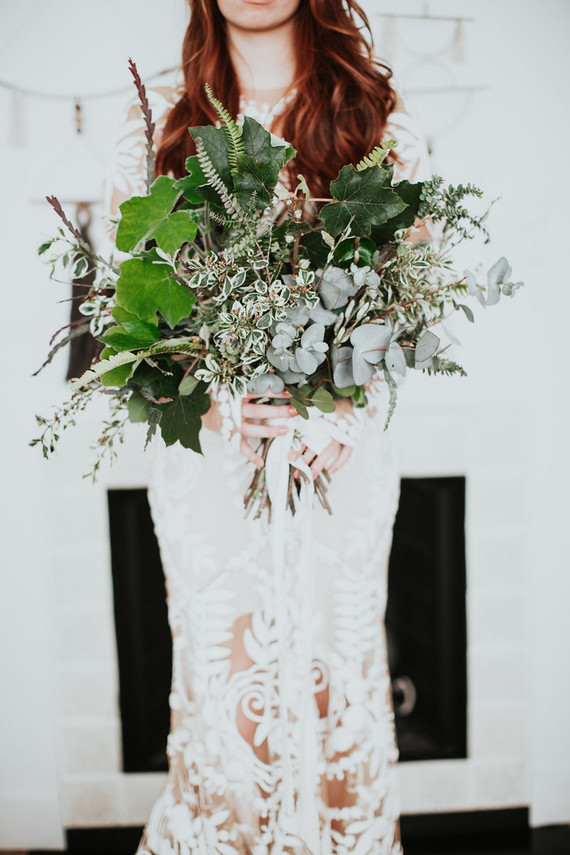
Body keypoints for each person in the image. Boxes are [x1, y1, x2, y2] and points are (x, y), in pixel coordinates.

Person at [106, 1, 430, 852]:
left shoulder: (372, 115)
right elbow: (126, 322)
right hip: (214, 462)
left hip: (341, 456)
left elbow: (413, 292)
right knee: (231, 698)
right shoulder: (160, 125)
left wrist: (344, 404)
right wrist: (218, 401)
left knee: (336, 684)